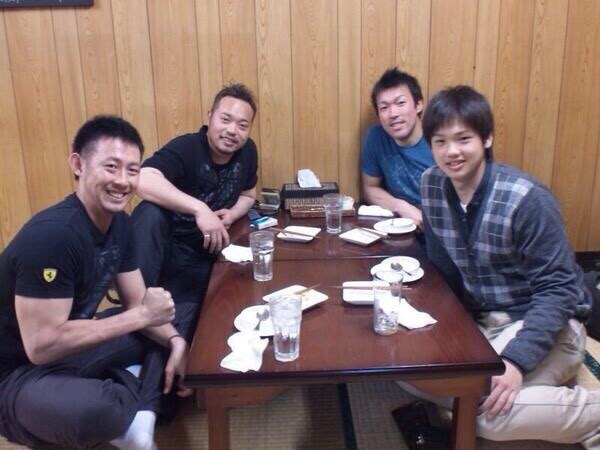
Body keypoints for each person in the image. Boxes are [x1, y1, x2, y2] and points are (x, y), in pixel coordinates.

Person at [411, 85, 599, 447]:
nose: (451, 152)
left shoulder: (527, 199)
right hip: (484, 323)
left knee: (483, 413)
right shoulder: (431, 185)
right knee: (405, 372)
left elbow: (558, 291)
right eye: (440, 141)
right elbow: (442, 267)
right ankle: (521, 397)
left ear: (487, 138)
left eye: (463, 138)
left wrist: (515, 362)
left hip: (547, 323)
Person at [0, 116, 189, 450]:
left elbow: (137, 301)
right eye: (111, 167)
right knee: (102, 410)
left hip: (72, 351)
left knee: (183, 317)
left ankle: (140, 418)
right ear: (78, 165)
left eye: (132, 170)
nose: (123, 181)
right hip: (17, 375)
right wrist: (142, 317)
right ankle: (133, 400)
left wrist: (175, 340)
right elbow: (41, 346)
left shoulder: (120, 224)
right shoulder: (52, 236)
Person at [132, 83, 258, 340]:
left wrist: (233, 214)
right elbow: (141, 179)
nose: (232, 130)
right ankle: (137, 308)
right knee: (148, 212)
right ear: (209, 117)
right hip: (170, 254)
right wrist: (200, 209)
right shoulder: (187, 148)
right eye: (225, 119)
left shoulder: (247, 151)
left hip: (211, 255)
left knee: (234, 311)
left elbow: (248, 194)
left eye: (242, 125)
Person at [361, 67, 434, 228]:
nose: (393, 114)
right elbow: (370, 188)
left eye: (400, 103)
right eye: (384, 107)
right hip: (400, 229)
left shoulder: (439, 140)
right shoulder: (376, 137)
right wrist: (400, 206)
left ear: (418, 105)